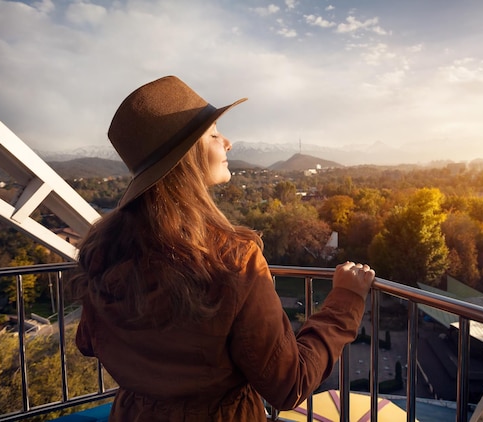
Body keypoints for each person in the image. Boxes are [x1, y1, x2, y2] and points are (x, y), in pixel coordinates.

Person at [72, 75, 375, 421]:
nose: (228, 142)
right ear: (188, 157)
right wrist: (346, 302)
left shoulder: (102, 251)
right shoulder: (233, 260)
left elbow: (87, 341)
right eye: (214, 134)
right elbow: (289, 382)